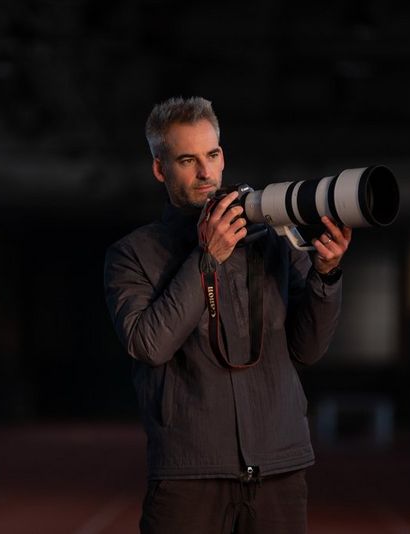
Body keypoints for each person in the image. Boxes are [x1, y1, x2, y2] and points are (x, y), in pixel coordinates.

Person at [103, 96, 352, 533]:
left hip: (279, 470)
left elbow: (309, 349)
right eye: (188, 160)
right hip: (189, 473)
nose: (206, 172)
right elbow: (149, 344)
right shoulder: (133, 254)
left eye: (213, 154)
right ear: (160, 169)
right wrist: (207, 259)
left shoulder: (275, 238)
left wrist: (326, 275)